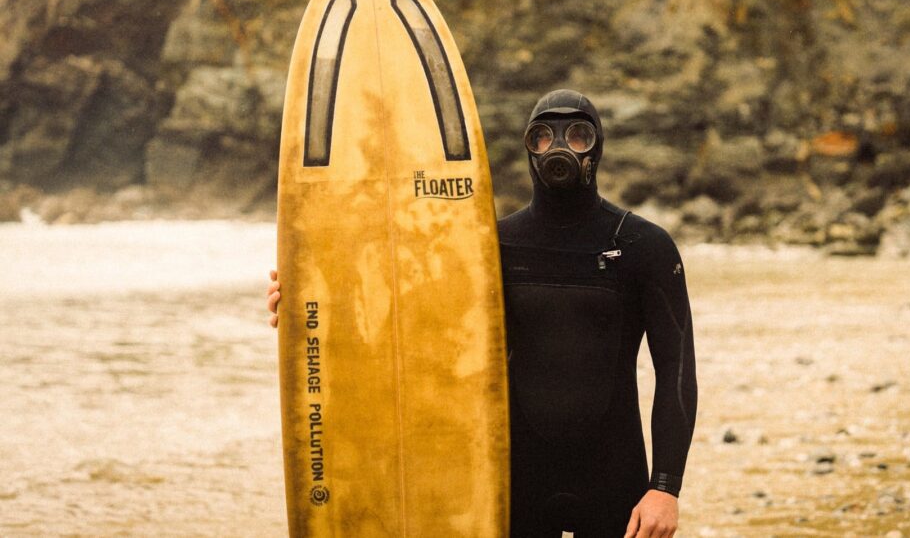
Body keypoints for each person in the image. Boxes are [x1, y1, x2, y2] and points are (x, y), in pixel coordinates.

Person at [268, 89, 697, 538]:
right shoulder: (491, 245)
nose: (560, 148)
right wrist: (307, 305)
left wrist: (665, 488)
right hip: (514, 480)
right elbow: (408, 323)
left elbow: (677, 369)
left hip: (614, 479)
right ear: (528, 148)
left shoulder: (642, 246)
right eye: (543, 137)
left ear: (598, 146)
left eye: (576, 134)